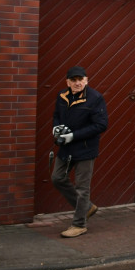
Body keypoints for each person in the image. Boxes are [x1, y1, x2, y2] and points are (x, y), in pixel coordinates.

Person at [51, 66, 108, 238]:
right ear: (67, 82)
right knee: (57, 178)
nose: (77, 83)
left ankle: (79, 224)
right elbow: (56, 115)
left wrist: (73, 136)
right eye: (73, 80)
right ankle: (87, 207)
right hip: (66, 147)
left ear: (86, 80)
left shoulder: (95, 98)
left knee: (82, 188)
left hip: (85, 148)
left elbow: (101, 125)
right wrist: (56, 128)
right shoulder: (62, 96)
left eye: (80, 79)